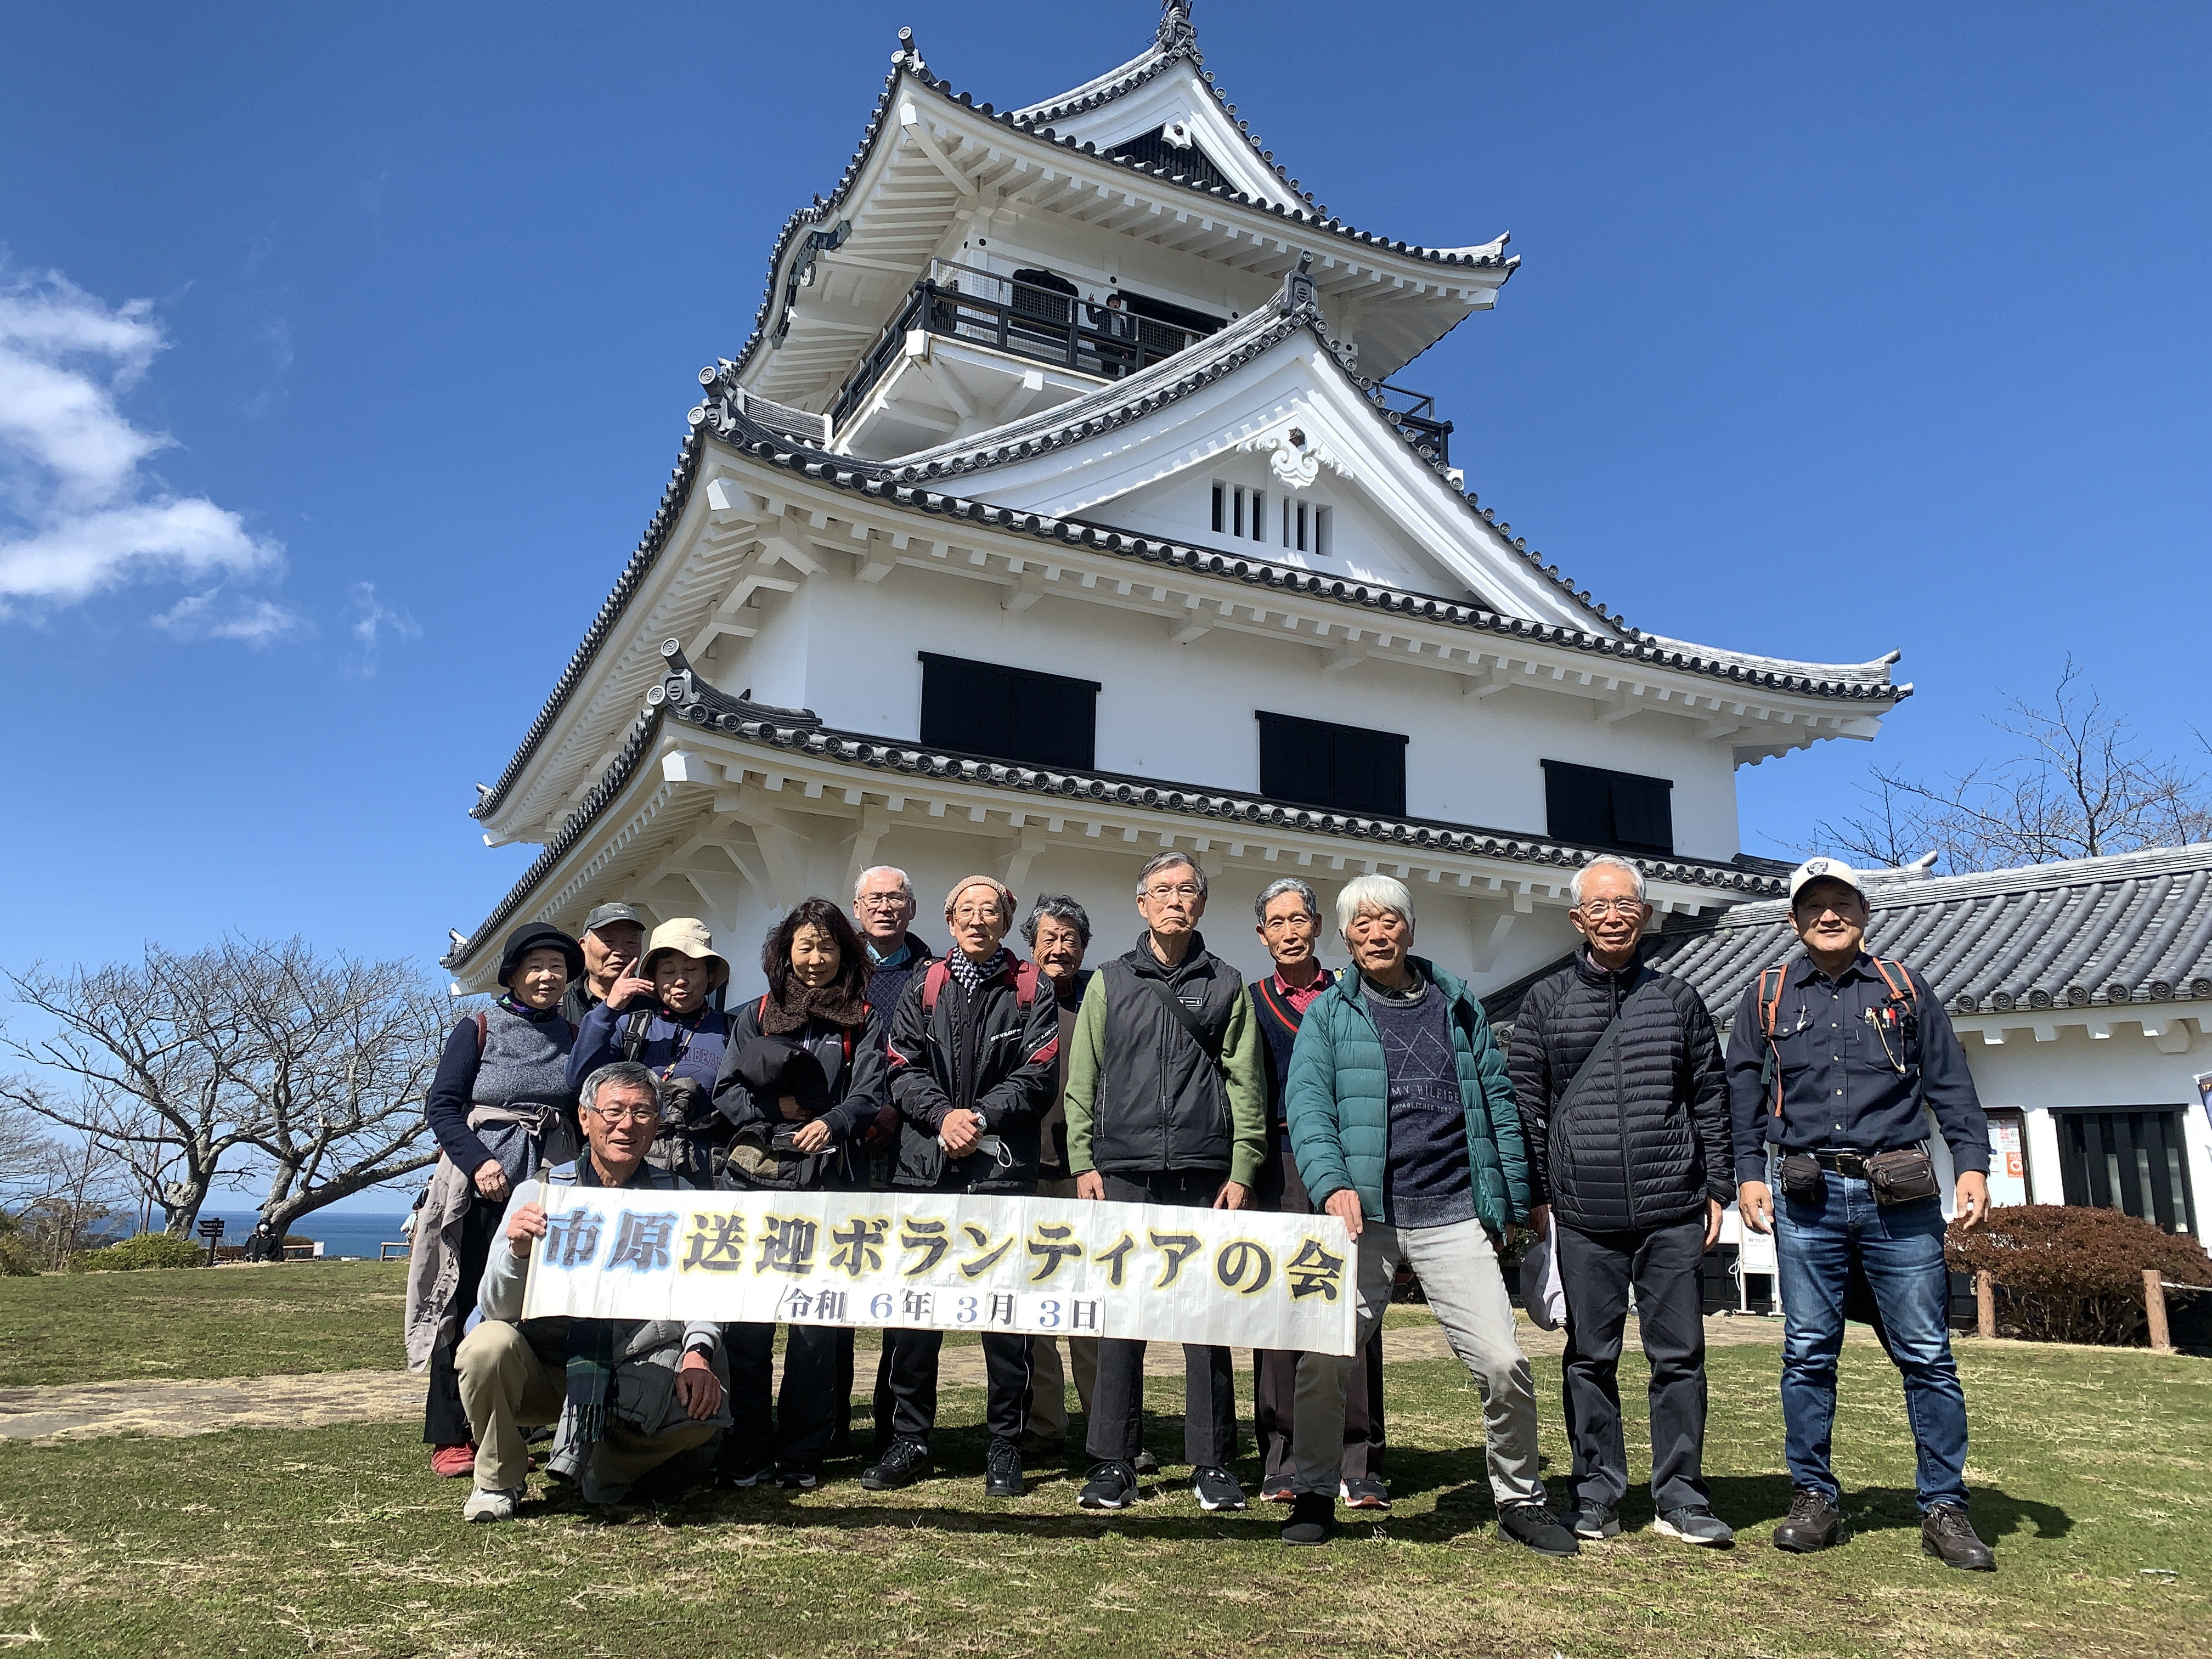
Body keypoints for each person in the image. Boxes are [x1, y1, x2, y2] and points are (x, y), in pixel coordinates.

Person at [1279, 875, 1577, 1556]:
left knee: (1503, 1362)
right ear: (1346, 939)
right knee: (1326, 1358)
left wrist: (1510, 1193)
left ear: (1409, 929)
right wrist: (1330, 1184)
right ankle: (1318, 1490)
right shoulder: (1328, 1013)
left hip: (1453, 1211)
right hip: (1364, 1218)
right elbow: (1309, 1108)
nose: (1376, 934)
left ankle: (1520, 1498)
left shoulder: (1458, 1003)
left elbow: (1497, 1102)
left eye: (1388, 922)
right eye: (1361, 926)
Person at [1726, 857, 1996, 1571]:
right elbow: (1740, 1097)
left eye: (1841, 902)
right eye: (1813, 906)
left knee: (1927, 1355)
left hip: (1898, 1193)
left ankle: (1945, 1507)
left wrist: (1972, 1162)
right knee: (1808, 1352)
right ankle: (1813, 1497)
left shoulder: (1904, 988)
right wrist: (1747, 1176)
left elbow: (1951, 1081)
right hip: (1806, 1194)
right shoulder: (1768, 994)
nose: (1828, 915)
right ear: (1793, 920)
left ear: (1863, 911)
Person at [1509, 854, 1733, 1547]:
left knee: (1680, 1357)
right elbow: (1524, 1106)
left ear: (1645, 912)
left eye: (1625, 904)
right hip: (1582, 1212)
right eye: (1598, 906)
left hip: (1671, 1206)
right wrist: (1538, 1197)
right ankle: (1597, 1491)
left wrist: (1718, 1186)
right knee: (1589, 1356)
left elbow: (1711, 1099)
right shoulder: (1544, 1002)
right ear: (1577, 919)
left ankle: (1681, 1496)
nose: (1613, 915)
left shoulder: (1678, 1000)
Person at [1064, 853, 1266, 1514]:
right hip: (1123, 1169)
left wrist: (1241, 1168)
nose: (1175, 901)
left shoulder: (1226, 983)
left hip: (1204, 1173)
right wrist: (1083, 1160)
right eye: (1162, 892)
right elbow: (1083, 1078)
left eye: (1187, 891)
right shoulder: (1111, 981)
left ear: (1202, 906)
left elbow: (1246, 1084)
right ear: (1143, 905)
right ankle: (1113, 1463)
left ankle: (1212, 1463)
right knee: (1122, 1319)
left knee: (1205, 1319)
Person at [455, 1060, 729, 1521]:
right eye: (614, 1111)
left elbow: (702, 1289)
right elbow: (495, 1307)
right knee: (486, 1345)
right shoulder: (538, 1192)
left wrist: (698, 1352)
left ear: (658, 1124)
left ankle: (600, 1466)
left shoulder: (681, 1197)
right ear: (585, 1118)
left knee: (707, 1391)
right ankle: (500, 1478)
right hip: (544, 1367)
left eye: (643, 1113)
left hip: (635, 1366)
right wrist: (517, 1254)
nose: (627, 1124)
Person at [869, 874, 1060, 1498]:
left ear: (1008, 922)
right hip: (924, 1168)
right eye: (966, 911)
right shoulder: (925, 984)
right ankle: (909, 1438)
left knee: (1004, 1316)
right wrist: (943, 1116)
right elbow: (900, 1064)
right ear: (949, 921)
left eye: (991, 911)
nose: (978, 920)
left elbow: (1039, 1072)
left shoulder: (1032, 987)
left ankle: (1005, 1443)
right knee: (915, 1314)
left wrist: (978, 1118)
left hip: (1001, 1171)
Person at [713, 898, 887, 1490]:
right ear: (784, 951)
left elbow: (869, 1092)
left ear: (846, 953)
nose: (816, 959)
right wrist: (776, 1120)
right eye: (805, 946)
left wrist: (833, 1123)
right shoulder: (756, 1014)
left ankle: (803, 1453)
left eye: (828, 947)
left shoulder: (863, 1017)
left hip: (830, 1183)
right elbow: (726, 1091)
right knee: (750, 1321)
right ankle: (748, 1445)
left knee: (817, 1323)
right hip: (757, 1181)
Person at [405, 922, 583, 1479]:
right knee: (463, 1300)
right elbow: (443, 1107)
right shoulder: (479, 1027)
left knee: (525, 1303)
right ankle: (449, 1433)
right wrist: (479, 1162)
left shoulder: (575, 1036)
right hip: (484, 1185)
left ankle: (505, 1427)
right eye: (535, 966)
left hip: (549, 1182)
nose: (546, 976)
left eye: (556, 966)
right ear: (511, 975)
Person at [1246, 877, 1389, 1508]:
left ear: (1318, 927)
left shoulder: (1353, 994)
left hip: (1346, 1160)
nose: (1289, 931)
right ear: (1262, 934)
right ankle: (1280, 1456)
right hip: (1277, 1163)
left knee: (1351, 1310)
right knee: (1278, 1310)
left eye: (1299, 918)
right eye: (1276, 922)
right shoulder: (1249, 1002)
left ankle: (1358, 1458)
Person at [1019, 893, 1099, 1461]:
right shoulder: (1014, 1001)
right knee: (1033, 1310)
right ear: (1031, 947)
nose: (1060, 948)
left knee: (1091, 1308)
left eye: (1071, 939)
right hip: (1023, 1170)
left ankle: (1105, 1426)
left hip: (1086, 1174)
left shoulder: (1102, 999)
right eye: (1050, 938)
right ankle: (1045, 1426)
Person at [567, 918, 731, 1184]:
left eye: (691, 969)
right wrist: (609, 1009)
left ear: (710, 975)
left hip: (709, 1169)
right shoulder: (631, 1025)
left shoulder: (729, 1030)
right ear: (653, 978)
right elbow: (579, 1080)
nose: (681, 981)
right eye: (668, 972)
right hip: (640, 1165)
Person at [562, 902, 646, 1027]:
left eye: (631, 942)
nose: (620, 952)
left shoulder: (657, 1009)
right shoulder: (558, 1010)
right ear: (583, 946)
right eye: (608, 941)